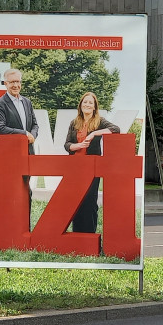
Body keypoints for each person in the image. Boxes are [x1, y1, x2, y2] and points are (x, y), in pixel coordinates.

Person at [63, 91, 121, 234]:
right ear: (81, 105)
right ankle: (77, 232)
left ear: (94, 107)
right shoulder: (74, 122)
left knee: (89, 200)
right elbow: (67, 144)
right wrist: (76, 146)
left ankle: (89, 234)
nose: (87, 104)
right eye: (85, 102)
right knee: (76, 200)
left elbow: (116, 129)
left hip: (92, 167)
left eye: (90, 103)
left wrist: (95, 133)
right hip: (76, 167)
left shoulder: (99, 121)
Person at [0, 68, 38, 153]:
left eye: (18, 81)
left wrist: (32, 136)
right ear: (5, 84)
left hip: (28, 151)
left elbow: (35, 125)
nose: (16, 85)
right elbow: (0, 128)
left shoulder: (27, 102)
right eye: (12, 82)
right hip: (9, 153)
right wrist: (25, 134)